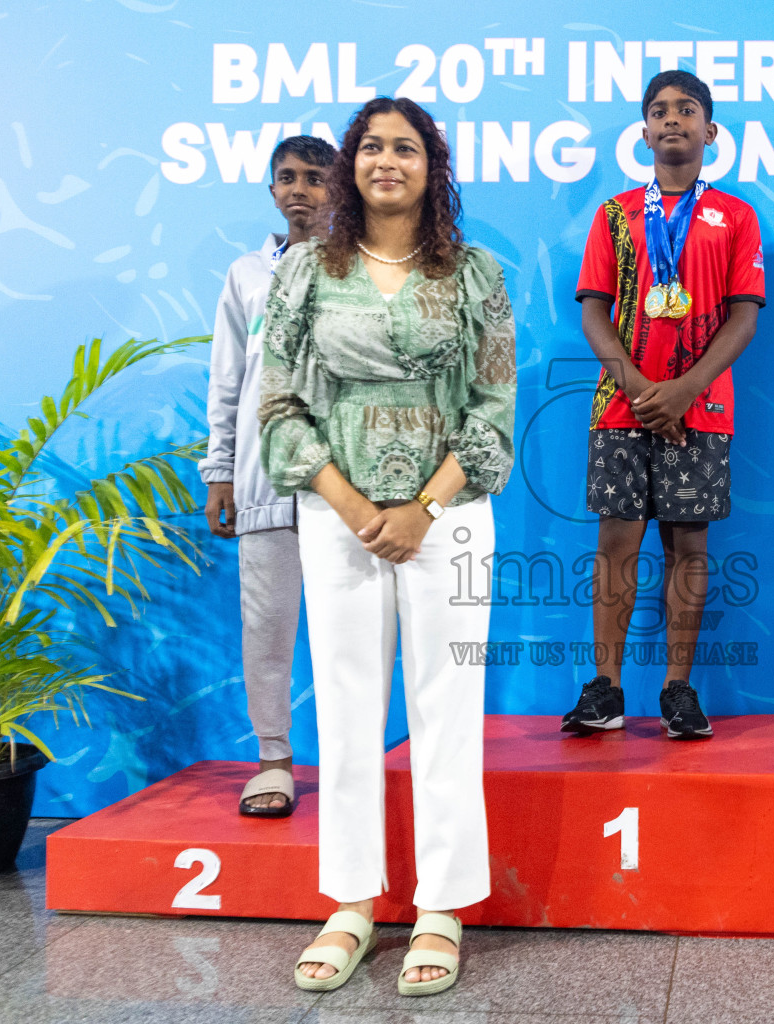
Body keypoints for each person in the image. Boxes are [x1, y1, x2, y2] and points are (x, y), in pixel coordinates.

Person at [258, 97, 516, 993]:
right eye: (371, 146)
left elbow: (493, 415)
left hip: (448, 517)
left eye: (405, 147)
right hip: (339, 518)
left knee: (449, 705)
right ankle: (353, 903)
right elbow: (279, 409)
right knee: (347, 704)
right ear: (349, 166)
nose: (386, 161)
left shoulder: (477, 274)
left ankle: (441, 907)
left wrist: (422, 507)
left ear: (430, 167)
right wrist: (351, 501)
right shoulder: (303, 277)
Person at [561, 70, 763, 740]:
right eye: (657, 111)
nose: (670, 120)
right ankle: (606, 689)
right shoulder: (615, 214)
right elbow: (595, 311)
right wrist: (642, 390)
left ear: (711, 131)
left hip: (701, 410)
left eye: (686, 110)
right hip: (622, 406)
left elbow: (743, 318)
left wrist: (683, 390)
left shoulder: (734, 216)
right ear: (642, 133)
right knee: (616, 541)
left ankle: (678, 690)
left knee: (689, 545)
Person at [199, 134, 335, 817]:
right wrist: (221, 469)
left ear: (338, 187)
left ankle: (350, 761)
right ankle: (274, 759)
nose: (300, 190)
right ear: (272, 190)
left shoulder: (361, 266)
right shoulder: (245, 275)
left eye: (314, 178)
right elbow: (228, 378)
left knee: (348, 631)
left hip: (343, 483)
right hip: (262, 479)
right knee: (267, 625)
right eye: (287, 178)